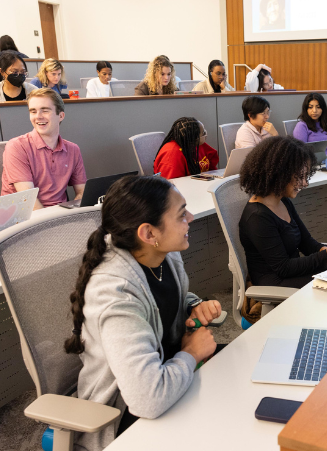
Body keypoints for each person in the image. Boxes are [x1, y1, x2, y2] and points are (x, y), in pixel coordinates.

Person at [65, 175, 222, 450]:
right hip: (121, 410)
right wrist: (192, 353)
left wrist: (192, 304)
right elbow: (147, 398)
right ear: (149, 234)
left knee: (237, 379)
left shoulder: (162, 253)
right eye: (181, 214)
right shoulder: (115, 292)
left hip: (168, 365)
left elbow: (162, 296)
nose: (192, 218)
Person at [239, 136, 327, 297]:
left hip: (293, 273)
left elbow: (307, 244)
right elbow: (284, 267)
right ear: (279, 174)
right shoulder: (257, 217)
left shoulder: (282, 200)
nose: (305, 183)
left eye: (306, 176)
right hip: (276, 283)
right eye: (299, 177)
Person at [0, 88, 87, 208]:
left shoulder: (73, 149)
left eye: (45, 111)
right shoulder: (16, 146)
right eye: (33, 111)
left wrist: (76, 211)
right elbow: (29, 201)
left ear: (61, 116)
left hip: (59, 215)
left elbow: (82, 192)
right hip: (24, 219)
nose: (38, 117)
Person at [154, 117, 219, 179]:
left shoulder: (197, 145)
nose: (205, 134)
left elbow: (212, 166)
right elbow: (171, 184)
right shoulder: (172, 154)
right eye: (203, 133)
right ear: (193, 137)